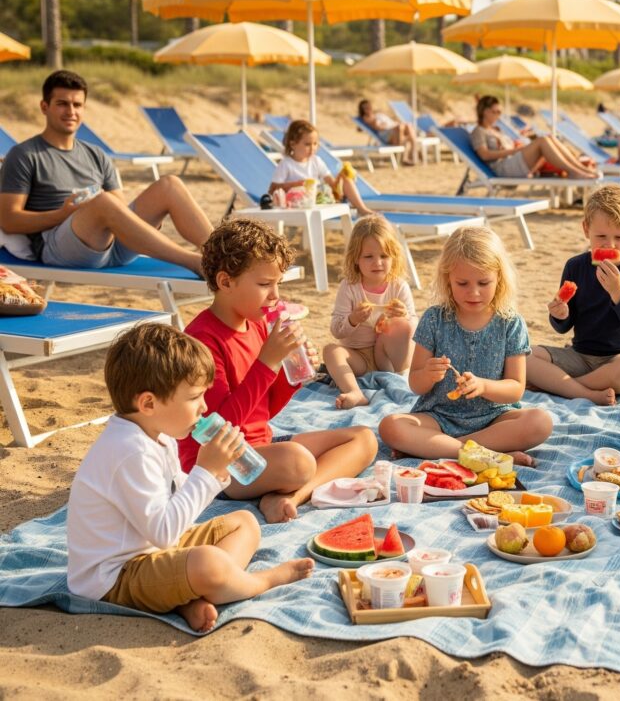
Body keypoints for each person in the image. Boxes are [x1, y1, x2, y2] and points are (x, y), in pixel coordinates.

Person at [67, 323, 313, 633]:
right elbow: (166, 534)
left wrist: (219, 471)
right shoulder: (130, 452)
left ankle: (189, 594)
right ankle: (258, 581)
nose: (205, 407)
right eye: (195, 397)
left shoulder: (156, 433)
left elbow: (175, 494)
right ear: (148, 403)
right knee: (207, 563)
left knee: (243, 523)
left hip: (151, 552)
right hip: (115, 576)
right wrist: (206, 472)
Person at [180, 218, 378, 523]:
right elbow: (218, 429)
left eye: (278, 284)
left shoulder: (257, 323)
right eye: (264, 285)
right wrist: (268, 363)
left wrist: (294, 374)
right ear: (225, 282)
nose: (275, 296)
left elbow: (265, 409)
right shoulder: (202, 342)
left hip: (262, 449)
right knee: (298, 462)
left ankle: (291, 497)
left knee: (364, 439)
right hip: (221, 464)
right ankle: (286, 488)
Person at [0, 70, 211, 274]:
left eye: (77, 105)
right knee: (102, 201)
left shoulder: (96, 154)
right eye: (62, 104)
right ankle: (192, 262)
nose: (71, 112)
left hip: (112, 243)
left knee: (169, 185)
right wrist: (62, 214)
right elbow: (9, 221)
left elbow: (119, 205)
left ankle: (223, 254)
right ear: (44, 107)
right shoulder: (24, 155)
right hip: (59, 245)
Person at [378, 226, 552, 466]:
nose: (474, 292)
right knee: (391, 427)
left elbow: (515, 389)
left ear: (499, 277)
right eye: (462, 283)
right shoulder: (434, 318)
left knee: (541, 422)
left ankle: (447, 448)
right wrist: (428, 374)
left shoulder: (510, 322)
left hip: (494, 419)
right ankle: (485, 455)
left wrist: (483, 385)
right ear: (447, 279)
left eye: (483, 282)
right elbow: (415, 383)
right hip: (438, 416)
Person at [526, 186, 620, 406]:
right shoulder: (575, 266)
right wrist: (560, 314)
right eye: (601, 236)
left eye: (619, 237)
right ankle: (584, 391)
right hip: (580, 355)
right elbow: (563, 327)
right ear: (586, 229)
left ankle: (566, 386)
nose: (610, 244)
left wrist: (617, 291)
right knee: (524, 356)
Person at [323, 215, 417, 410]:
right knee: (330, 350)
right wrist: (353, 319)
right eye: (368, 257)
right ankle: (354, 392)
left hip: (388, 357)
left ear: (394, 256)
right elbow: (337, 330)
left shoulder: (398, 286)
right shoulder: (349, 287)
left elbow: (416, 329)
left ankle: (400, 379)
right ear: (356, 259)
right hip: (359, 358)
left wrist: (404, 316)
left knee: (403, 325)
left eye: (384, 256)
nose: (377, 263)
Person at [468, 95, 599, 180]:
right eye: (495, 112)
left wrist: (518, 146)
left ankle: (581, 168)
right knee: (542, 141)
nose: (498, 115)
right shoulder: (479, 131)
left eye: (499, 112)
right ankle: (574, 171)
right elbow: (484, 155)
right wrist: (513, 151)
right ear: (484, 112)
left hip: (513, 160)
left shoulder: (497, 129)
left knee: (549, 137)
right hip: (503, 168)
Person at [269, 119, 372, 215]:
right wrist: (297, 184)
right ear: (292, 144)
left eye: (315, 144)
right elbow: (272, 190)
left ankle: (362, 209)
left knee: (346, 181)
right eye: (307, 144)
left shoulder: (316, 161)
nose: (312, 148)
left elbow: (332, 183)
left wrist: (341, 178)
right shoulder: (286, 164)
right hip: (299, 203)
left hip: (321, 199)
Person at [358, 99, 417, 166]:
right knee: (400, 127)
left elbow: (389, 123)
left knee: (408, 126)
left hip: (393, 130)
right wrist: (383, 124)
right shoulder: (367, 118)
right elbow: (378, 128)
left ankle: (412, 151)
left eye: (369, 106)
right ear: (362, 110)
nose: (368, 109)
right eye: (365, 108)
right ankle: (404, 155)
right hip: (386, 134)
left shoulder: (376, 115)